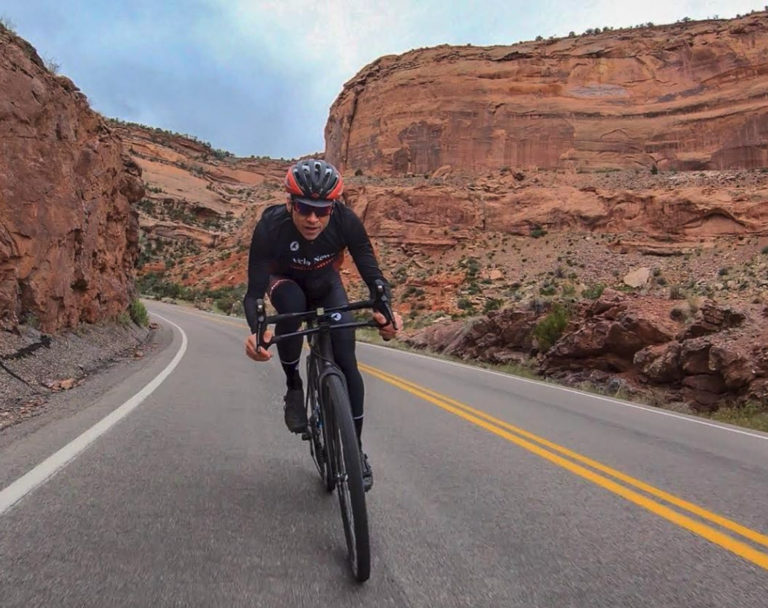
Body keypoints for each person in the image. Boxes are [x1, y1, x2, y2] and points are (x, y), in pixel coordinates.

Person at [243, 158, 402, 491]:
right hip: (284, 281)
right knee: (291, 306)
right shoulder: (270, 226)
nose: (313, 218)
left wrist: (386, 312)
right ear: (290, 203)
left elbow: (373, 275)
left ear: (334, 206)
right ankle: (294, 387)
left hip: (325, 284)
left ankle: (354, 451)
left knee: (346, 360)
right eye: (303, 207)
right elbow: (254, 294)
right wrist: (258, 334)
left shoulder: (346, 222)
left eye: (322, 209)